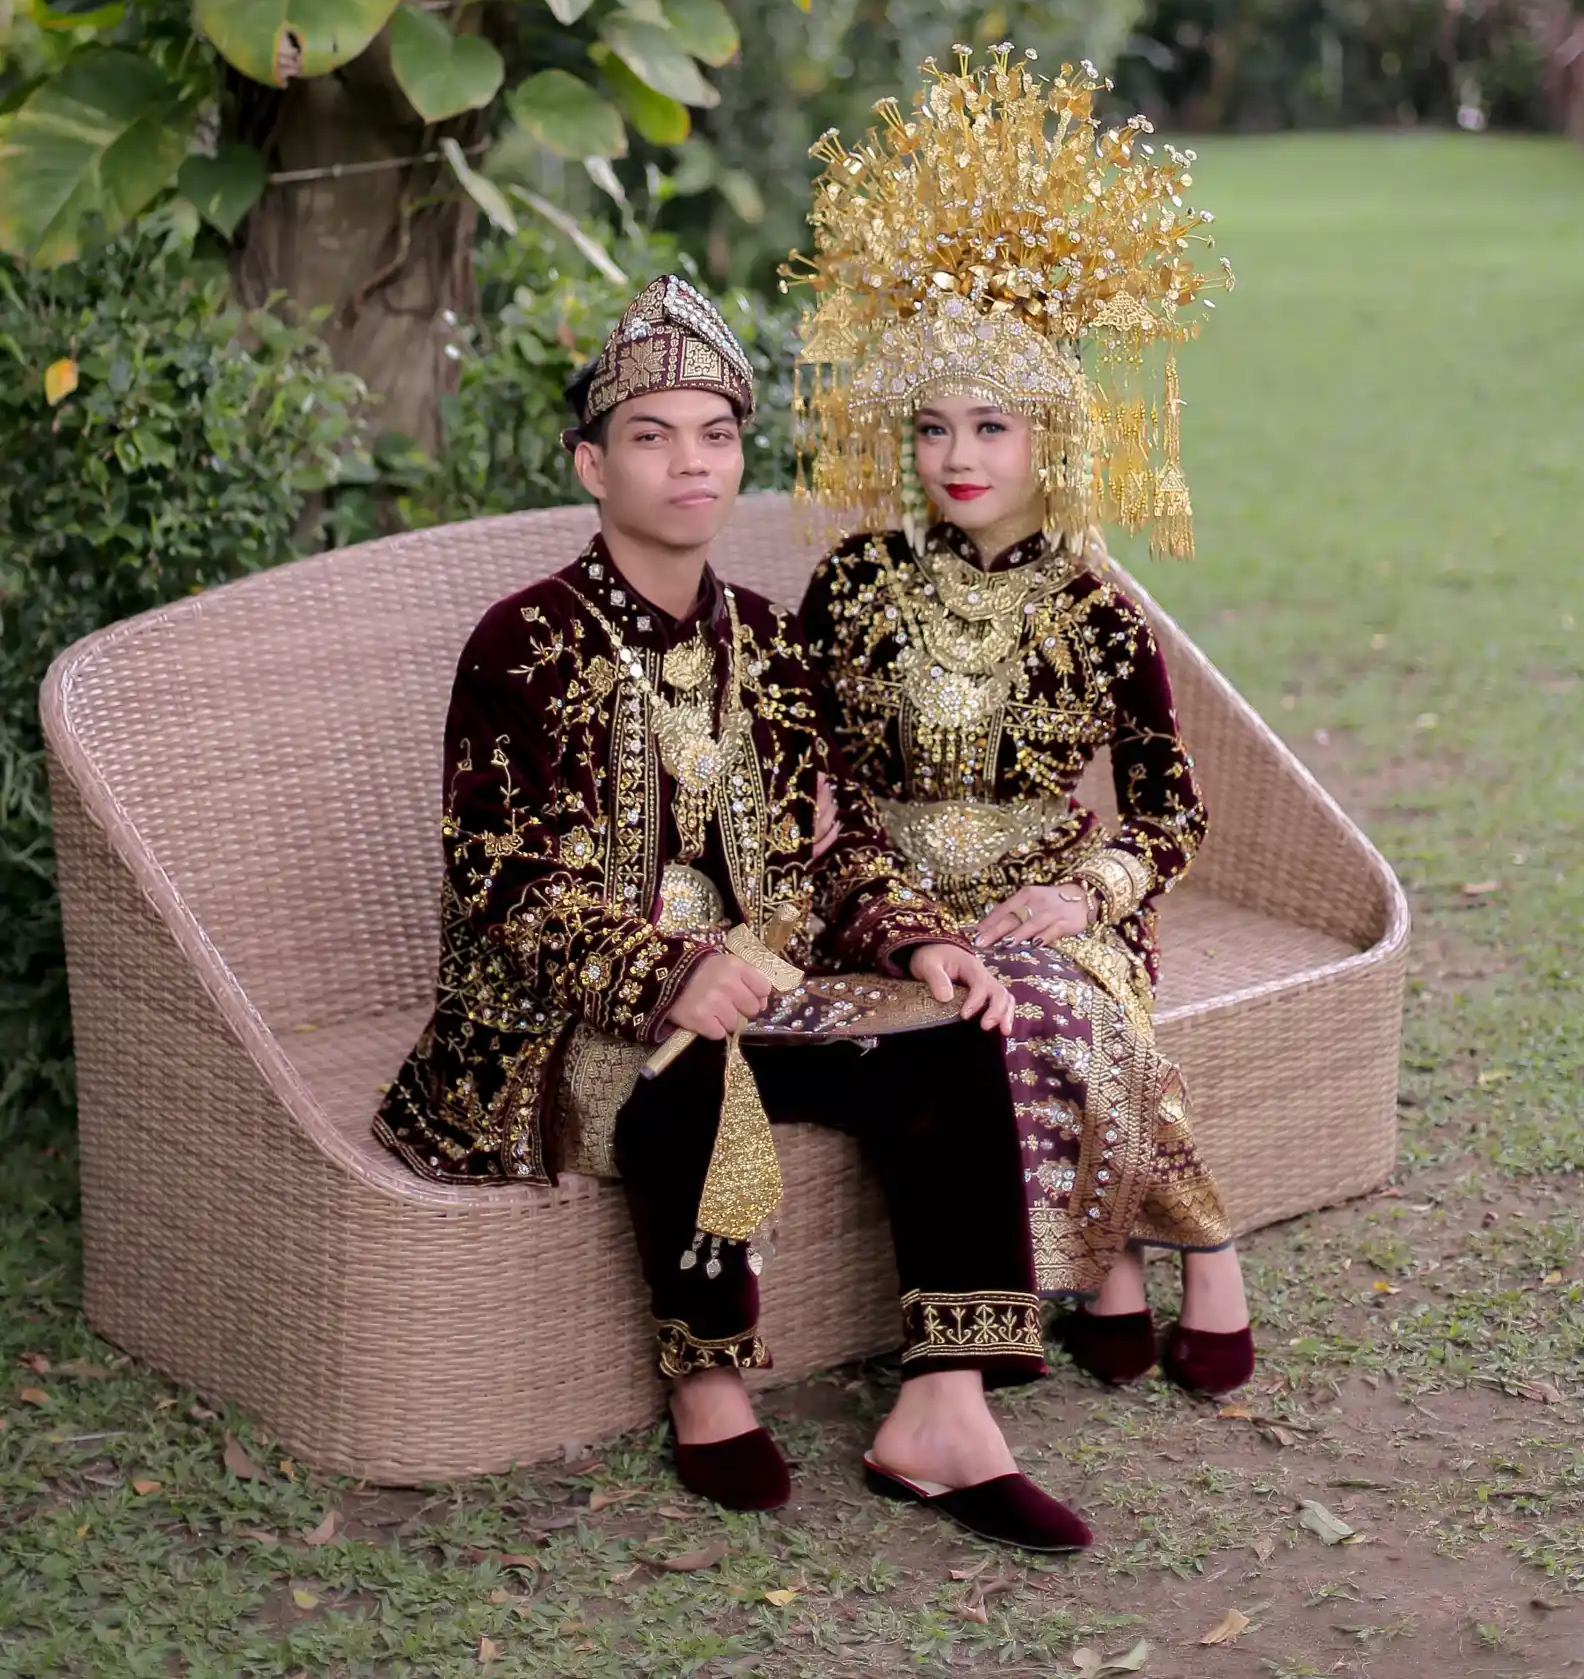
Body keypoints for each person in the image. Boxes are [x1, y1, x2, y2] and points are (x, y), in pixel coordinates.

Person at [376, 273, 1091, 1550]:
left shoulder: (768, 641)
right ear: (591, 465)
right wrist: (667, 973)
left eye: (715, 435)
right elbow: (504, 880)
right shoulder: (520, 645)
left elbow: (833, 846)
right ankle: (706, 1381)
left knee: (951, 1033)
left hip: (766, 988)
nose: (690, 463)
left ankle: (947, 1406)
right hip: (555, 1026)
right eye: (652, 437)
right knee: (693, 1048)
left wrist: (918, 937)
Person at [790, 47, 1254, 1397]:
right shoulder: (852, 585)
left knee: (1049, 990)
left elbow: (1169, 810)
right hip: (883, 900)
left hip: (1050, 899)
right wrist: (889, 910)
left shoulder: (1098, 608)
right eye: (932, 427)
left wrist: (1081, 893)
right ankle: (1147, 1264)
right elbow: (807, 788)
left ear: (1049, 438)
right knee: (994, 1010)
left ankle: (1159, 1258)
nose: (957, 458)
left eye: (990, 426)